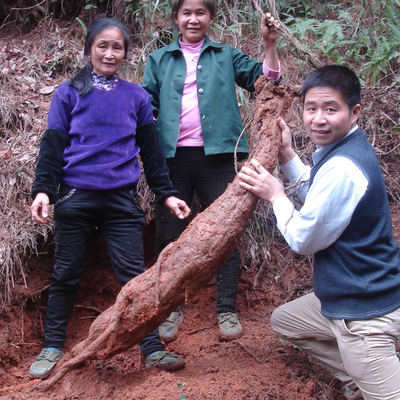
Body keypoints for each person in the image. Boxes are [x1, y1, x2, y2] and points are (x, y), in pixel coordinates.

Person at [29, 17, 191, 379]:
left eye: (117, 46)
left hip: (121, 202)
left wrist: (166, 194)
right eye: (102, 45)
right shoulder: (68, 93)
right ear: (89, 49)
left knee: (134, 277)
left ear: (125, 53)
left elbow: (151, 154)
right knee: (66, 274)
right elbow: (53, 146)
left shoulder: (135, 97)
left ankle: (151, 349)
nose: (109, 52)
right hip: (76, 197)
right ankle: (52, 346)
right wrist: (43, 189)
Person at [238, 65, 400, 400]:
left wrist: (276, 194)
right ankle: (359, 379)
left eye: (331, 109)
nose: (318, 119)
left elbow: (303, 239)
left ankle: (371, 371)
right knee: (287, 321)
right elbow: (320, 197)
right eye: (311, 108)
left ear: (354, 112)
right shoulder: (343, 151)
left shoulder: (344, 166)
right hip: (347, 295)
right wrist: (285, 155)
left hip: (363, 315)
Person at [141, 0, 282, 343]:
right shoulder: (159, 59)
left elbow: (268, 79)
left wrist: (269, 44)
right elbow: (146, 107)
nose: (193, 19)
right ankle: (170, 309)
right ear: (176, 18)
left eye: (200, 12)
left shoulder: (225, 55)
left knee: (227, 233)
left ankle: (226, 309)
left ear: (210, 18)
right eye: (186, 12)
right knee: (169, 235)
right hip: (172, 161)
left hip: (218, 157)